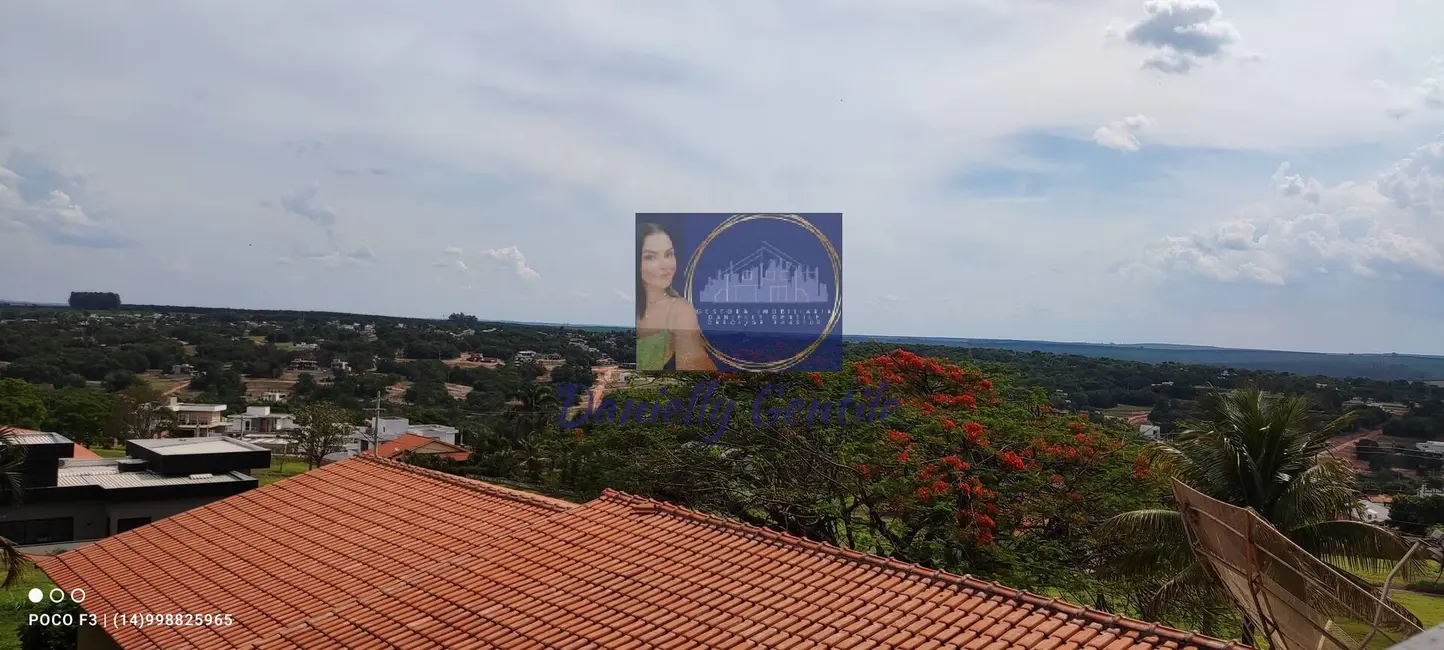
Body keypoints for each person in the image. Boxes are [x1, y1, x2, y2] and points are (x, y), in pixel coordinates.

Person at [636, 222, 716, 372]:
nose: (665, 265)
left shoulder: (679, 310)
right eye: (650, 257)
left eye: (668, 254)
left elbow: (694, 368)